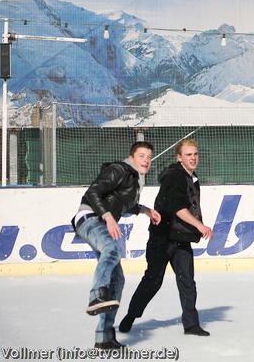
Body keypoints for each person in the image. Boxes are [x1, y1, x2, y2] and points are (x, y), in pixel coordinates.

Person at [119, 139, 214, 337]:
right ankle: (131, 315)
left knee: (187, 281)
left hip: (181, 238)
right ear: (179, 158)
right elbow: (177, 206)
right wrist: (199, 226)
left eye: (195, 154)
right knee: (153, 280)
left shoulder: (191, 177)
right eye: (188, 155)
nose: (193, 158)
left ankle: (191, 325)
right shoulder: (175, 177)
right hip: (162, 238)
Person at [72, 141, 161, 351]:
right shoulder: (119, 169)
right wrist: (108, 216)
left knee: (118, 279)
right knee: (112, 250)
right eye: (141, 156)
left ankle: (104, 337)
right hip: (90, 218)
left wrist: (145, 210)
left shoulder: (134, 179)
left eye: (149, 157)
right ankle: (96, 295)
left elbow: (123, 202)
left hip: (100, 220)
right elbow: (93, 192)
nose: (146, 160)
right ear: (131, 157)